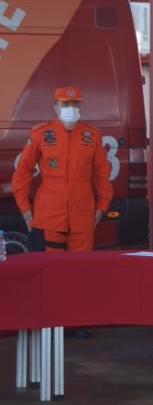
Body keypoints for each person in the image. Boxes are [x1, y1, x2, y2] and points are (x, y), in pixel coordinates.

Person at [12, 85, 113, 338]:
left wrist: (101, 208)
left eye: (75, 104)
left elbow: (102, 176)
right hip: (49, 216)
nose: (71, 109)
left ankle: (73, 322)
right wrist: (25, 209)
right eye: (65, 104)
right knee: (49, 272)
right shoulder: (40, 134)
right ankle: (47, 321)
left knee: (78, 273)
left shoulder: (91, 136)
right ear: (55, 108)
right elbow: (22, 174)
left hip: (82, 216)